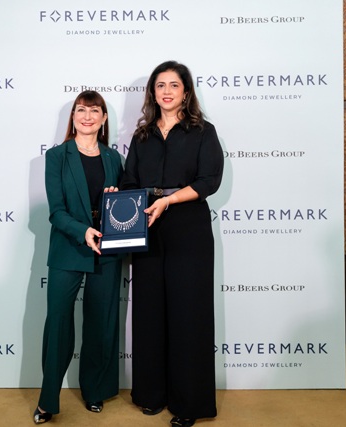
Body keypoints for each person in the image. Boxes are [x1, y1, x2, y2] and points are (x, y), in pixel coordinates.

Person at [120, 61, 224, 427]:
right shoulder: (142, 135)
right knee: (149, 312)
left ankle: (189, 403)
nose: (166, 91)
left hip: (188, 226)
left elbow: (210, 180)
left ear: (186, 92)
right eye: (160, 85)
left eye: (174, 85)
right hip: (147, 226)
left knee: (188, 315)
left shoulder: (203, 131)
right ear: (152, 92)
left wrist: (169, 200)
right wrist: (121, 196)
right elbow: (130, 180)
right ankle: (151, 394)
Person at [34, 90, 124, 424]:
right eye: (81, 110)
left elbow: (123, 205)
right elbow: (56, 211)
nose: (87, 116)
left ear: (103, 119)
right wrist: (82, 231)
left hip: (107, 249)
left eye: (94, 110)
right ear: (73, 117)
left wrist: (117, 197)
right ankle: (47, 401)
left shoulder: (113, 159)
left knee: (101, 321)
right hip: (69, 246)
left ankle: (95, 391)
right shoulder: (57, 156)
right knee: (58, 324)